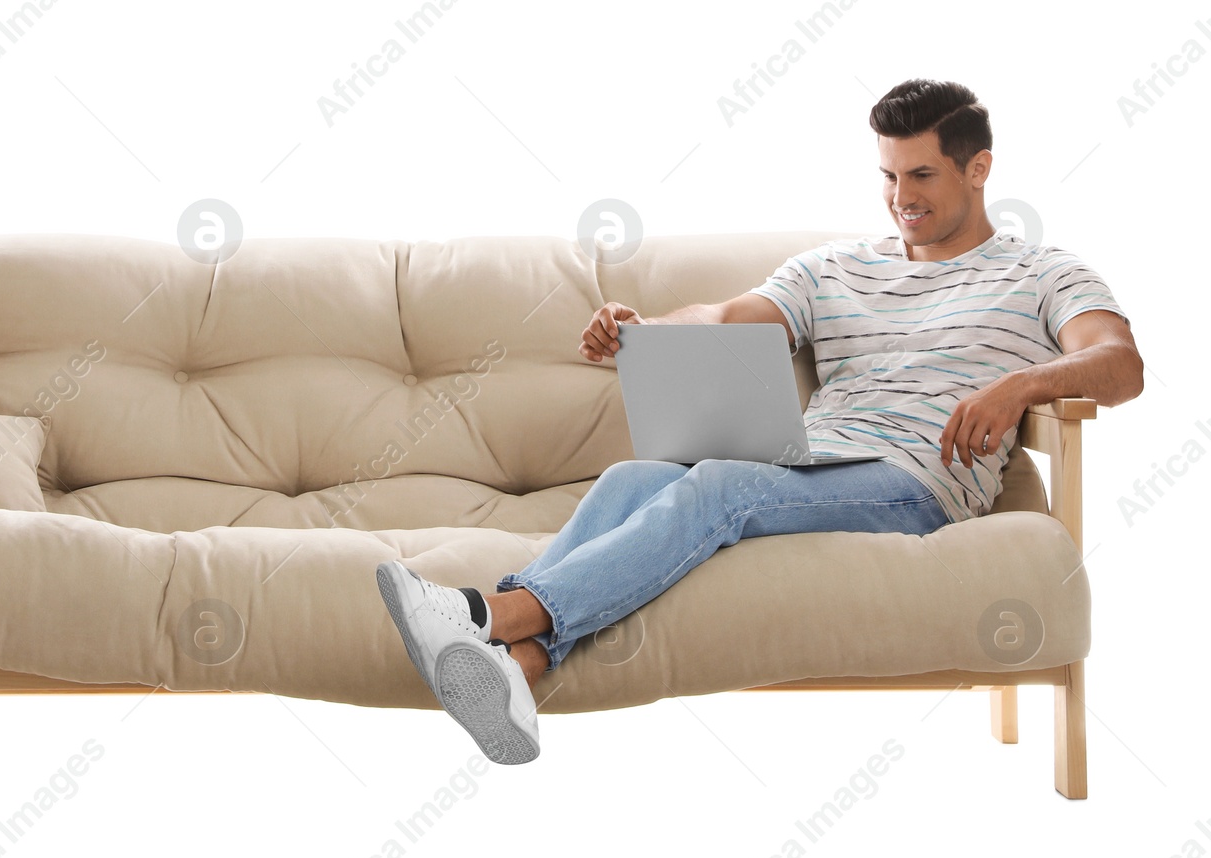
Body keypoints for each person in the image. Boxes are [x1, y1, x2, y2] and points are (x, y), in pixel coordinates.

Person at [375, 79, 1145, 765]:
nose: (900, 196)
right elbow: (729, 317)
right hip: (811, 460)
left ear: (978, 170)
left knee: (717, 488)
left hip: (916, 480)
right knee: (632, 476)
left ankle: (483, 615)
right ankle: (520, 671)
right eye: (887, 174)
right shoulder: (838, 266)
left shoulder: (1043, 272)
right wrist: (644, 332)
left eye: (921, 175)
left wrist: (1018, 385)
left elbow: (1120, 365)